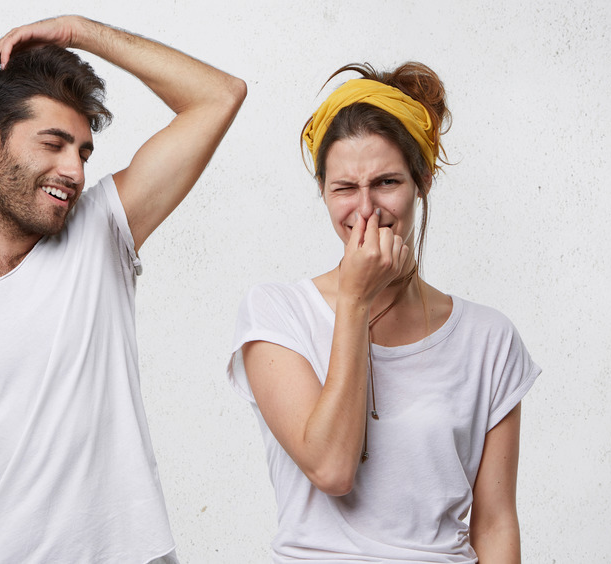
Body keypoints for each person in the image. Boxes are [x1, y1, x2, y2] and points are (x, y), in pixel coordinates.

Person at [0, 15, 245, 564]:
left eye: (83, 152)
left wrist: (77, 31)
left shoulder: (102, 229)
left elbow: (219, 96)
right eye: (54, 143)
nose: (75, 170)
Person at [227, 62, 539, 563]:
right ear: (324, 193)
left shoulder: (489, 338)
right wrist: (355, 301)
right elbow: (331, 468)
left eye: (387, 182)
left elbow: (497, 522)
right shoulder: (277, 314)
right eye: (344, 188)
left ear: (423, 182)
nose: (366, 210)